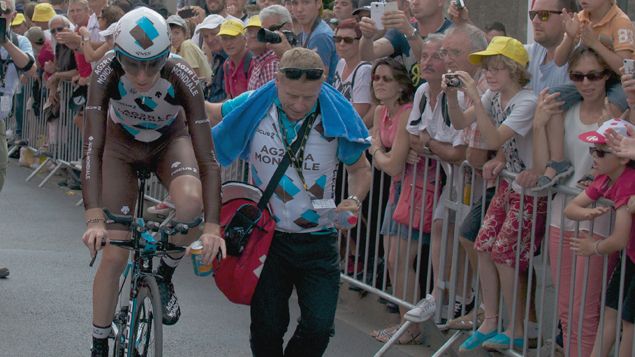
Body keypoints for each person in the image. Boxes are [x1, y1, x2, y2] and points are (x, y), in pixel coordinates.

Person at [80, 7, 223, 356]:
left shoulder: (181, 74)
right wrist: (95, 217)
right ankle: (99, 343)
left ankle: (164, 276)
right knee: (114, 253)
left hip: (168, 142)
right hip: (119, 147)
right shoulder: (105, 71)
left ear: (166, 56)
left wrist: (213, 226)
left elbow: (207, 158)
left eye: (153, 65)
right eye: (132, 65)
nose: (143, 76)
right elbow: (92, 149)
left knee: (191, 205)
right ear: (118, 55)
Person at [211, 47, 371, 356]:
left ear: (322, 85)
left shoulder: (337, 115)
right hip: (268, 241)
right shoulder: (253, 106)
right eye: (291, 96)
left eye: (308, 98)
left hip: (319, 242)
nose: (299, 105)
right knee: (268, 327)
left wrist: (352, 199)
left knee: (319, 327)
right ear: (278, 81)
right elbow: (210, 111)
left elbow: (361, 169)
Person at [446, 36, 544, 352]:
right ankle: (491, 319)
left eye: (497, 68)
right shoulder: (493, 95)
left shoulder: (526, 101)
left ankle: (515, 329)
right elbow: (461, 121)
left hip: (532, 191)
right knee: (483, 243)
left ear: (515, 70)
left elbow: (492, 138)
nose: (490, 74)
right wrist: (453, 96)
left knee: (505, 252)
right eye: (488, 68)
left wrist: (475, 93)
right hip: (509, 183)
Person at [528, 44, 619, 357]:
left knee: (587, 310)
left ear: (606, 75)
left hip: (599, 220)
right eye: (578, 76)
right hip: (561, 215)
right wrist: (538, 124)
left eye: (593, 75)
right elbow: (544, 168)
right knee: (566, 308)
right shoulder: (563, 112)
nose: (586, 83)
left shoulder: (616, 113)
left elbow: (620, 173)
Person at [366, 55, 431, 345]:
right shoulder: (381, 112)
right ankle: (406, 321)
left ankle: (411, 326)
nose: (379, 83)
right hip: (398, 187)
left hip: (418, 187)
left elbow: (390, 162)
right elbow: (380, 151)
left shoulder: (406, 112)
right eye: (376, 78)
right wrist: (382, 152)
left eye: (386, 79)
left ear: (401, 85)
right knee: (393, 259)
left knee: (402, 258)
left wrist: (378, 151)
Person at [538, 0, 634, 188]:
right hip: (591, 76)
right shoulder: (581, 17)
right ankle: (558, 162)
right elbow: (558, 61)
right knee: (552, 97)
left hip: (617, 82)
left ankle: (596, 167)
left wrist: (595, 44)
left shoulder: (620, 21)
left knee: (611, 106)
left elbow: (625, 68)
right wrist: (569, 37)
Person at [565, 118, 635, 357]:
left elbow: (619, 239)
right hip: (632, 257)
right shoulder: (605, 178)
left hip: (632, 253)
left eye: (601, 152)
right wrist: (587, 212)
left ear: (624, 157)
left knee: (629, 324)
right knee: (611, 312)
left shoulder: (628, 182)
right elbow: (571, 208)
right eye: (592, 150)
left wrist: (593, 247)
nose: (594, 157)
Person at [0, 0, 35, 281]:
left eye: (5, 12)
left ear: (13, 14)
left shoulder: (19, 40)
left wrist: (6, 42)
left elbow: (31, 70)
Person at [358, 0, 452, 87]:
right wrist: (367, 37)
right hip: (415, 101)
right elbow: (368, 55)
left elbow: (428, 61)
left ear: (440, 1)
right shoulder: (402, 29)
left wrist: (410, 32)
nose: (415, 2)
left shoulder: (453, 33)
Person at [332, 18, 371, 122]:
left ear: (360, 41)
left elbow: (358, 114)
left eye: (348, 40)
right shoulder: (341, 63)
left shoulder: (364, 70)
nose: (341, 43)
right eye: (338, 39)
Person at [290, 0, 337, 83]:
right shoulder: (311, 30)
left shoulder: (320, 36)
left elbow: (318, 81)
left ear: (318, 3)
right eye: (295, 3)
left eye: (306, 2)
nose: (299, 9)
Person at [168, 14, 213, 85]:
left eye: (177, 33)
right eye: (170, 34)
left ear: (185, 34)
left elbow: (193, 79)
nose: (173, 37)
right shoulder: (173, 49)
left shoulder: (187, 45)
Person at [219, 18, 253, 98]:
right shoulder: (227, 64)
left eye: (233, 37)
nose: (228, 43)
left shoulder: (253, 62)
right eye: (224, 38)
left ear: (245, 39)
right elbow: (229, 97)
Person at [245, 15, 279, 90]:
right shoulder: (258, 61)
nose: (253, 35)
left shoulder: (272, 63)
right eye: (250, 31)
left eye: (259, 31)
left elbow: (271, 99)